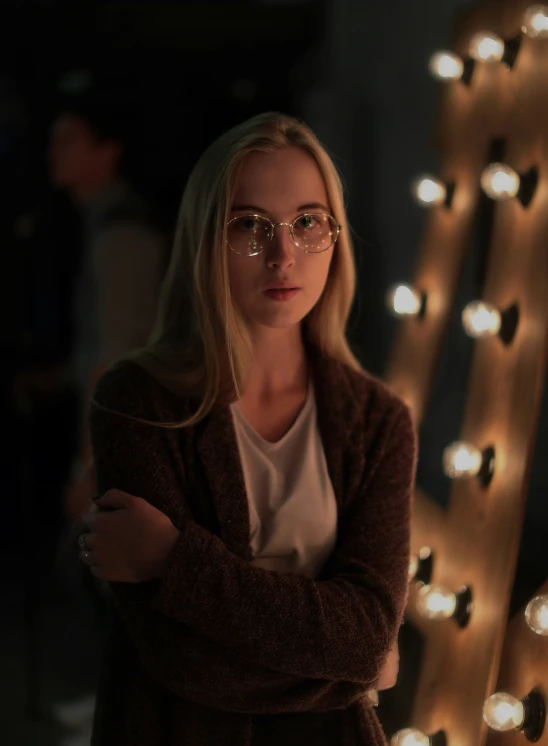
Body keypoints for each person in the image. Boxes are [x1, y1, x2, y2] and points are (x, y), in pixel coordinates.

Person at [77, 112, 416, 746]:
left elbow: (367, 634)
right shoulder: (137, 401)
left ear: (335, 237)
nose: (284, 254)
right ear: (206, 238)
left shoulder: (378, 420)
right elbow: (182, 659)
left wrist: (174, 561)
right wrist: (349, 663)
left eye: (308, 222)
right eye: (249, 226)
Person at [48, 92, 168, 520]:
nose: (55, 153)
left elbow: (114, 355)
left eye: (69, 141)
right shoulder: (104, 228)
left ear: (108, 152)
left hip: (129, 442)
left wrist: (89, 469)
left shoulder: (122, 236)